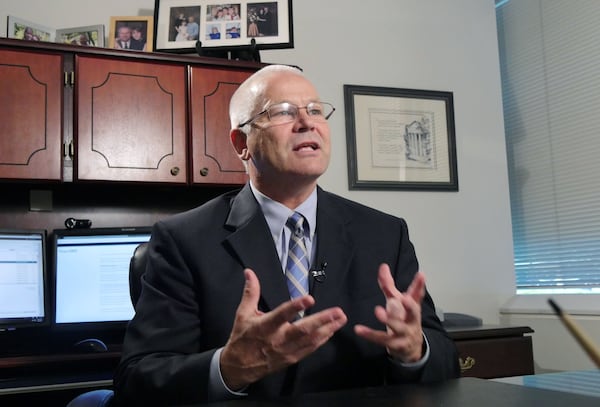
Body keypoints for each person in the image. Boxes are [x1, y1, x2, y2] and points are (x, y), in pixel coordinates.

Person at [113, 65, 459, 406]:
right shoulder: (184, 240)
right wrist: (229, 368)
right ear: (241, 143)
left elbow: (446, 360)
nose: (307, 122)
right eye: (282, 112)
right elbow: (138, 379)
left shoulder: (385, 233)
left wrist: (415, 352)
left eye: (315, 110)